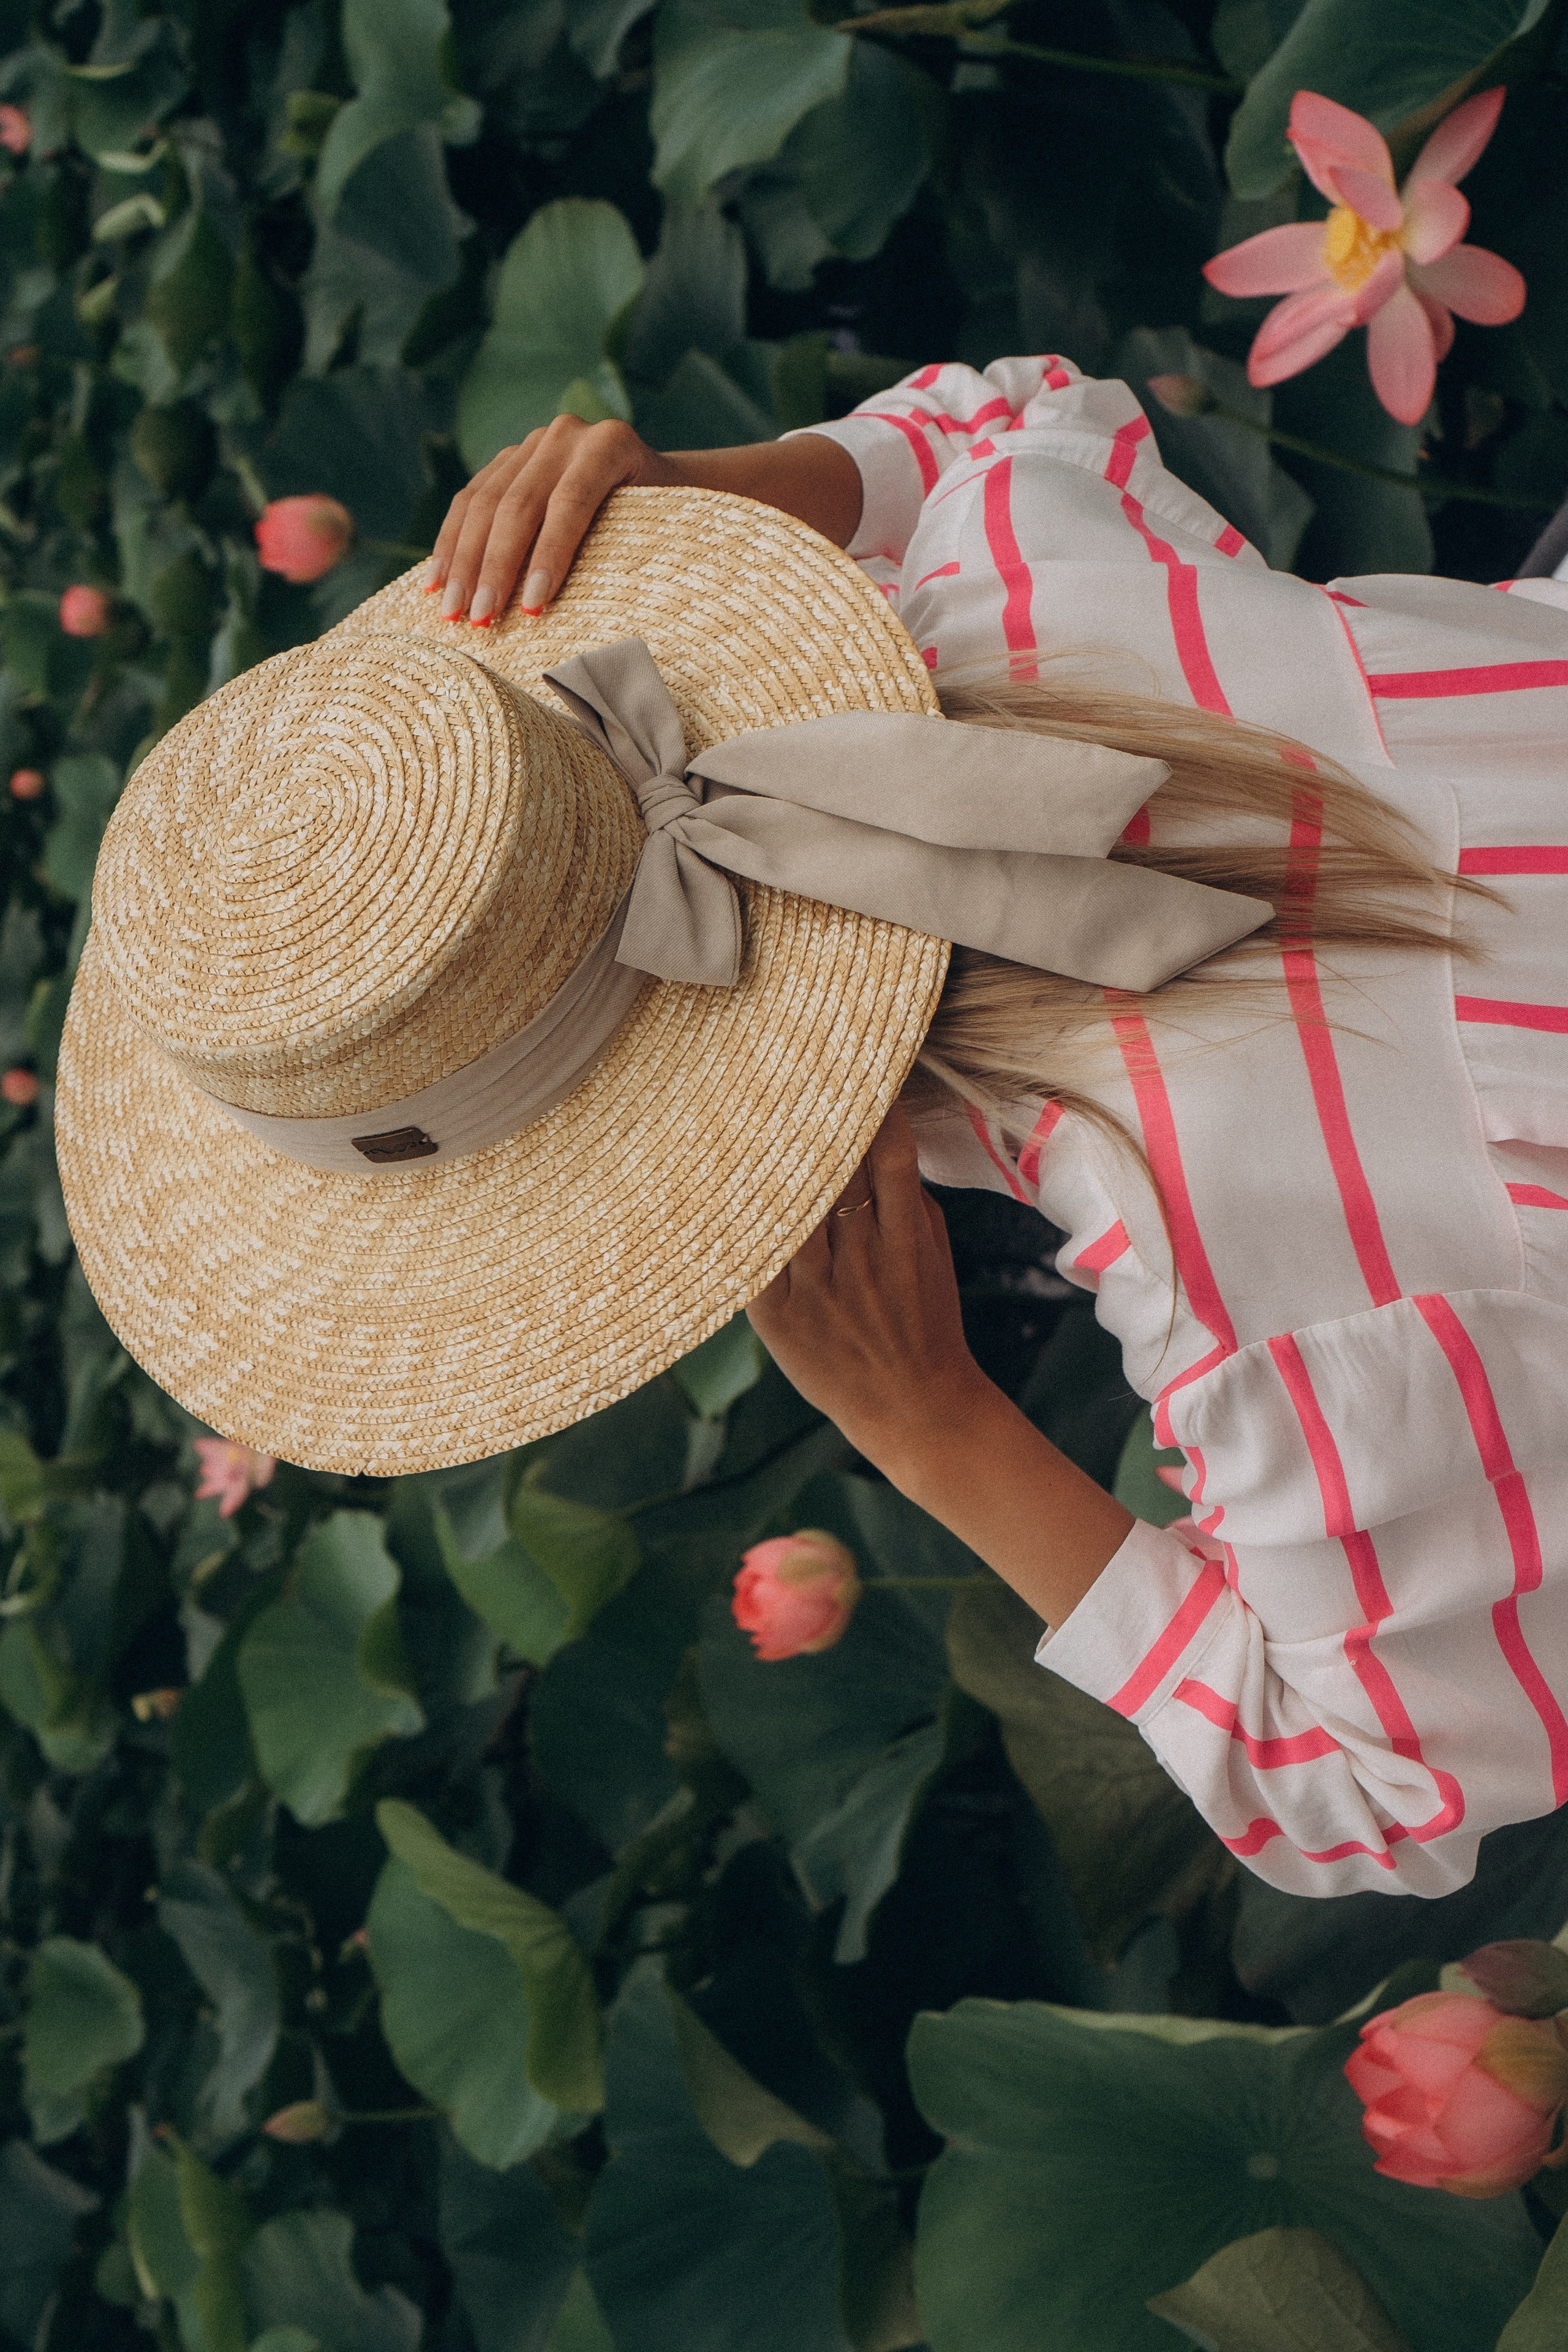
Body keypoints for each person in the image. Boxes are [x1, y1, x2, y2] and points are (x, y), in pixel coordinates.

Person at [59, 357, 1568, 1904]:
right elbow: (1019, 408)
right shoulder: (1009, 561)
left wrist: (936, 1432)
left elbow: (1382, 1795)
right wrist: (720, 487)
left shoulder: (1264, 1299)